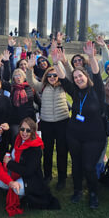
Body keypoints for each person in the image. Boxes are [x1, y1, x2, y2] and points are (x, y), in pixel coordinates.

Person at [55, 42, 105, 209]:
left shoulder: (97, 90)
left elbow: (97, 74)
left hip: (94, 136)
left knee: (89, 166)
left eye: (80, 76)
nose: (77, 79)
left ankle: (93, 194)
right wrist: (56, 62)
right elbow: (62, 78)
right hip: (75, 134)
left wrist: (91, 57)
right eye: (75, 77)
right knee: (76, 164)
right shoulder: (75, 91)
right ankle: (77, 191)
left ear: (86, 77)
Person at [27, 49, 70, 189]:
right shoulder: (42, 86)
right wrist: (30, 68)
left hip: (62, 122)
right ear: (46, 76)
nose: (52, 77)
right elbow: (31, 82)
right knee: (48, 151)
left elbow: (68, 75)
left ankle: (62, 178)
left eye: (55, 75)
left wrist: (61, 62)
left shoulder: (63, 86)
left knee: (62, 151)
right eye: (50, 75)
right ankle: (47, 175)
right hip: (46, 123)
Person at [0, 117, 61, 213]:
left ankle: (22, 195)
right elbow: (12, 151)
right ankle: (20, 193)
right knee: (0, 181)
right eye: (22, 129)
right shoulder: (17, 139)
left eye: (28, 130)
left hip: (31, 178)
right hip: (17, 172)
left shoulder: (35, 149)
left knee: (16, 188)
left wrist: (9, 164)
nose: (24, 132)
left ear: (33, 131)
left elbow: (28, 171)